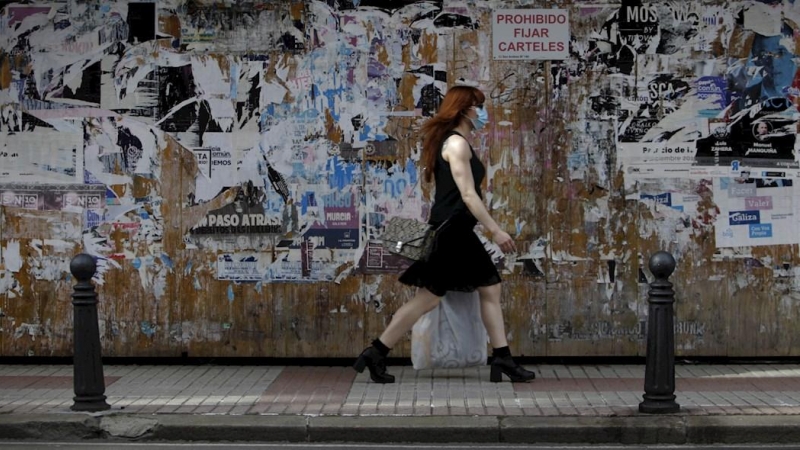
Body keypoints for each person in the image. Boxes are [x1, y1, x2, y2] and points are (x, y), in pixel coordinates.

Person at [353, 85, 536, 384]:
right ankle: (376, 352)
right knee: (436, 297)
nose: (481, 112)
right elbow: (468, 195)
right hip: (453, 232)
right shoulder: (456, 144)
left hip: (455, 230)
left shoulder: (455, 142)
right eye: (478, 106)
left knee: (478, 291)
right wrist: (496, 230)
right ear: (464, 109)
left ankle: (502, 357)